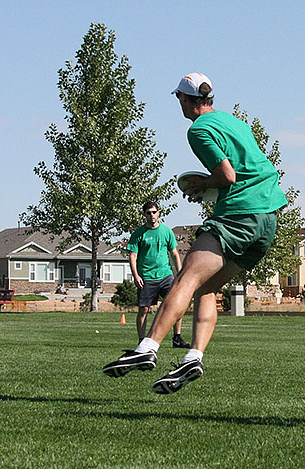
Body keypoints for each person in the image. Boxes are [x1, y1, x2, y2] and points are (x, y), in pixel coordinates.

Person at [103, 72, 287, 395]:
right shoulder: (236, 123)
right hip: (268, 220)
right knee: (205, 288)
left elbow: (227, 175)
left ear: (187, 100)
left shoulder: (198, 129)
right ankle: (194, 356)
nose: (180, 104)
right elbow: (246, 169)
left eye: (179, 99)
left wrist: (203, 184)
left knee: (186, 276)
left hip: (240, 213)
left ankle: (148, 347)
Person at [127, 201, 188, 348]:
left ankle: (177, 339)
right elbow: (133, 256)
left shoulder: (167, 232)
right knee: (144, 310)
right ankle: (142, 341)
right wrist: (136, 275)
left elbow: (174, 253)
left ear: (159, 213)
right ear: (144, 214)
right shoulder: (138, 234)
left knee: (176, 305)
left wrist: (179, 274)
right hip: (146, 277)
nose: (151, 215)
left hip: (166, 275)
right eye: (148, 212)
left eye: (154, 212)